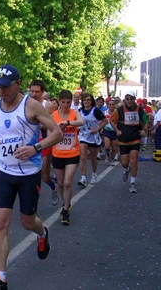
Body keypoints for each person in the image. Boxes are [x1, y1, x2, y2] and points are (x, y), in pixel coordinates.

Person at [0, 65, 63, 289]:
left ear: (18, 83)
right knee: (0, 224)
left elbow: (57, 133)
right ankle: (1, 277)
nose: (1, 91)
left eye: (5, 86)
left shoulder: (32, 106)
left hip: (28, 173)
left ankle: (42, 232)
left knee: (28, 222)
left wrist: (36, 147)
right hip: (4, 172)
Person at [51, 90, 84, 225]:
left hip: (72, 153)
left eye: (68, 102)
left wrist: (68, 123)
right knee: (60, 183)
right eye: (63, 102)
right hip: (57, 153)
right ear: (59, 101)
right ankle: (66, 201)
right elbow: (49, 133)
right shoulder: (53, 115)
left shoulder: (74, 114)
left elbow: (81, 122)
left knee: (67, 183)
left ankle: (65, 210)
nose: (65, 105)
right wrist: (58, 130)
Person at [110, 90, 149, 193]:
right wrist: (117, 130)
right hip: (123, 139)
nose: (129, 100)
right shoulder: (119, 110)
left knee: (134, 160)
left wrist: (144, 130)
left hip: (135, 137)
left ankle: (132, 183)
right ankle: (127, 169)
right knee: (124, 162)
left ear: (134, 99)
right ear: (125, 99)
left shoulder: (140, 110)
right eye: (127, 98)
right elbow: (112, 121)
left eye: (131, 98)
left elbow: (146, 121)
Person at [29, 80, 59, 206]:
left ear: (43, 92)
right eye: (32, 91)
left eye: (37, 92)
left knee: (45, 176)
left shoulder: (48, 106)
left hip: (44, 141)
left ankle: (53, 187)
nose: (34, 94)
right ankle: (32, 204)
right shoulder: (26, 104)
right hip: (29, 143)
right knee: (30, 176)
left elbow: (54, 127)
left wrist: (44, 127)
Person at [77, 93, 107, 186]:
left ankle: (94, 174)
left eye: (88, 100)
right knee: (83, 157)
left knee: (93, 158)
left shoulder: (95, 110)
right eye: (85, 100)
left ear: (91, 101)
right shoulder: (80, 111)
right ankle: (83, 178)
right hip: (83, 136)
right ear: (82, 101)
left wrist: (98, 128)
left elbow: (105, 120)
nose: (86, 101)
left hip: (93, 136)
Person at [103, 99, 119, 165]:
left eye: (113, 104)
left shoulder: (117, 113)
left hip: (115, 131)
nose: (111, 106)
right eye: (110, 104)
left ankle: (112, 158)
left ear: (115, 105)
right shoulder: (105, 113)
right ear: (107, 105)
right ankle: (107, 155)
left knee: (114, 148)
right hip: (107, 130)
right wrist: (101, 128)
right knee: (107, 146)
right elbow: (102, 121)